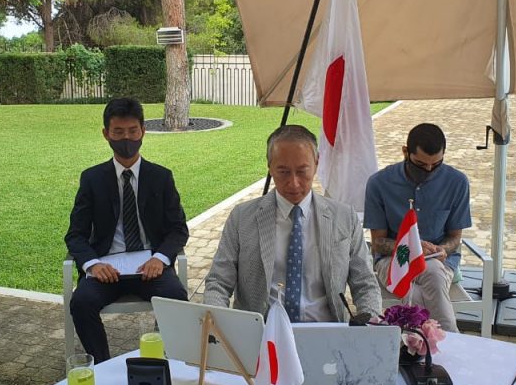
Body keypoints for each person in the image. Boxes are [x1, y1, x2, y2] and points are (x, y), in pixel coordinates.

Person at [204, 125, 382, 322]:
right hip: (262, 334)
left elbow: (365, 282)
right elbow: (219, 281)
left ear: (316, 163)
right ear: (269, 167)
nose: (294, 183)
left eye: (302, 171)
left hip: (325, 333)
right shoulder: (242, 218)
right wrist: (217, 323)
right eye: (283, 172)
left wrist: (370, 323)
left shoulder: (344, 217)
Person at [65, 98, 188, 363]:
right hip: (107, 271)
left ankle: (160, 359)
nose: (127, 138)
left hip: (149, 269)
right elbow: (75, 234)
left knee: (176, 297)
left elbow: (178, 229)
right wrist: (93, 265)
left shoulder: (161, 177)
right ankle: (103, 365)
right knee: (81, 303)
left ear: (143, 131)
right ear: (106, 134)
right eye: (118, 132)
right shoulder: (92, 179)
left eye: (133, 131)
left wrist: (161, 258)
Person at [363, 123, 471, 332]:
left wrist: (443, 249)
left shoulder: (457, 182)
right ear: (405, 152)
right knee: (432, 273)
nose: (429, 170)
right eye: (421, 164)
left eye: (436, 164)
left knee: (430, 271)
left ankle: (413, 342)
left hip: (439, 260)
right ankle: (450, 339)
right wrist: (412, 248)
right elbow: (377, 243)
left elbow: (455, 237)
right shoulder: (379, 183)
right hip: (394, 260)